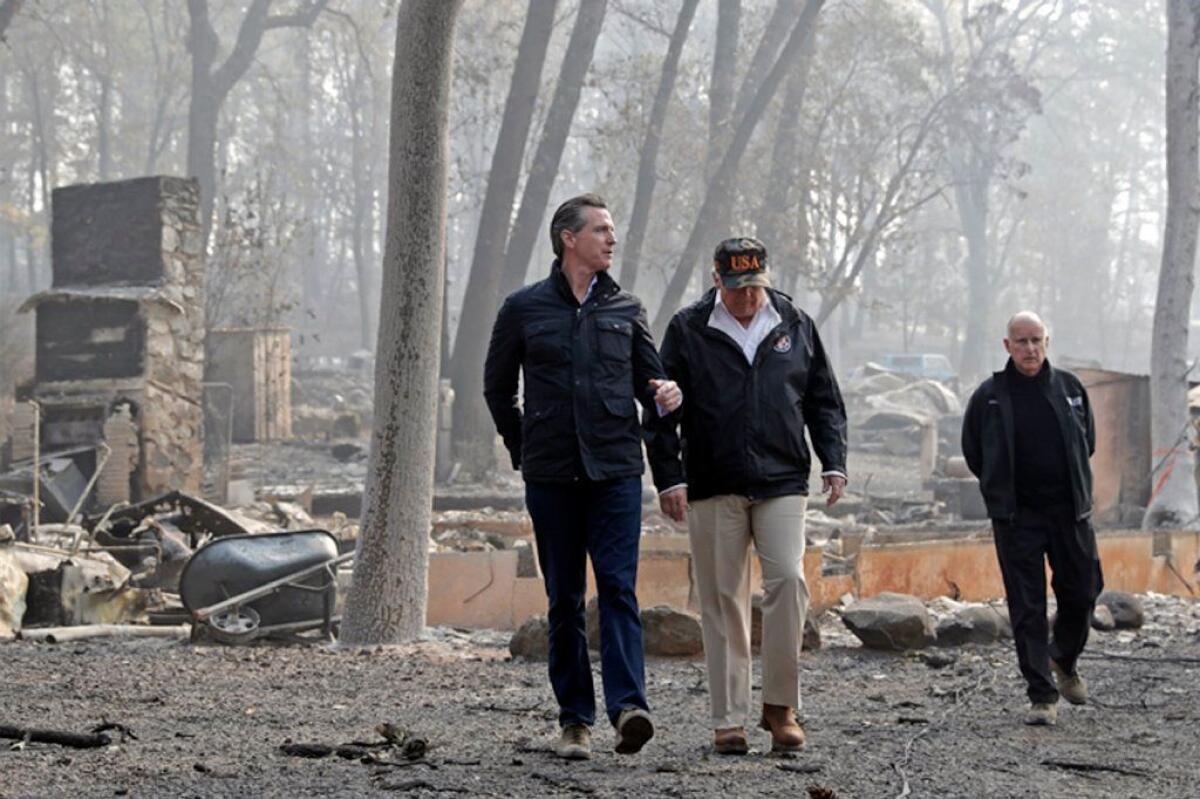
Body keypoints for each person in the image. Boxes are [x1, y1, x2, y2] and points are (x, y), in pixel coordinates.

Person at [483, 193, 681, 760]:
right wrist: (525, 447)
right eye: (601, 230)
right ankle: (575, 720)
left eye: (612, 230)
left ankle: (628, 708)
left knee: (618, 588)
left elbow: (654, 383)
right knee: (564, 597)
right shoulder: (523, 309)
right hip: (551, 476)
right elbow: (497, 389)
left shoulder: (627, 310)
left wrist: (668, 393)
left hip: (616, 470)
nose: (611, 239)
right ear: (569, 238)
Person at [644, 237, 847, 754]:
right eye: (736, 290)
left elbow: (823, 398)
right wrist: (669, 476)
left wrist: (835, 461)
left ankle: (781, 707)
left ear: (766, 277)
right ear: (717, 282)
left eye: (755, 287)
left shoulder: (794, 323)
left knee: (789, 583)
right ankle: (728, 717)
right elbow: (661, 407)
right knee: (722, 599)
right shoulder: (689, 329)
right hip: (714, 480)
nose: (748, 299)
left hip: (781, 477)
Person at [961, 311, 1104, 726]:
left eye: (1036, 340)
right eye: (1021, 341)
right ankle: (1042, 695)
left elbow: (1087, 442)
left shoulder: (1070, 388)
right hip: (1017, 517)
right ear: (1007, 346)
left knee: (1083, 591)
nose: (1030, 349)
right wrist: (1000, 489)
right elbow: (974, 452)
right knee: (1027, 606)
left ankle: (1064, 658)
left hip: (1069, 512)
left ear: (1047, 342)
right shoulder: (989, 395)